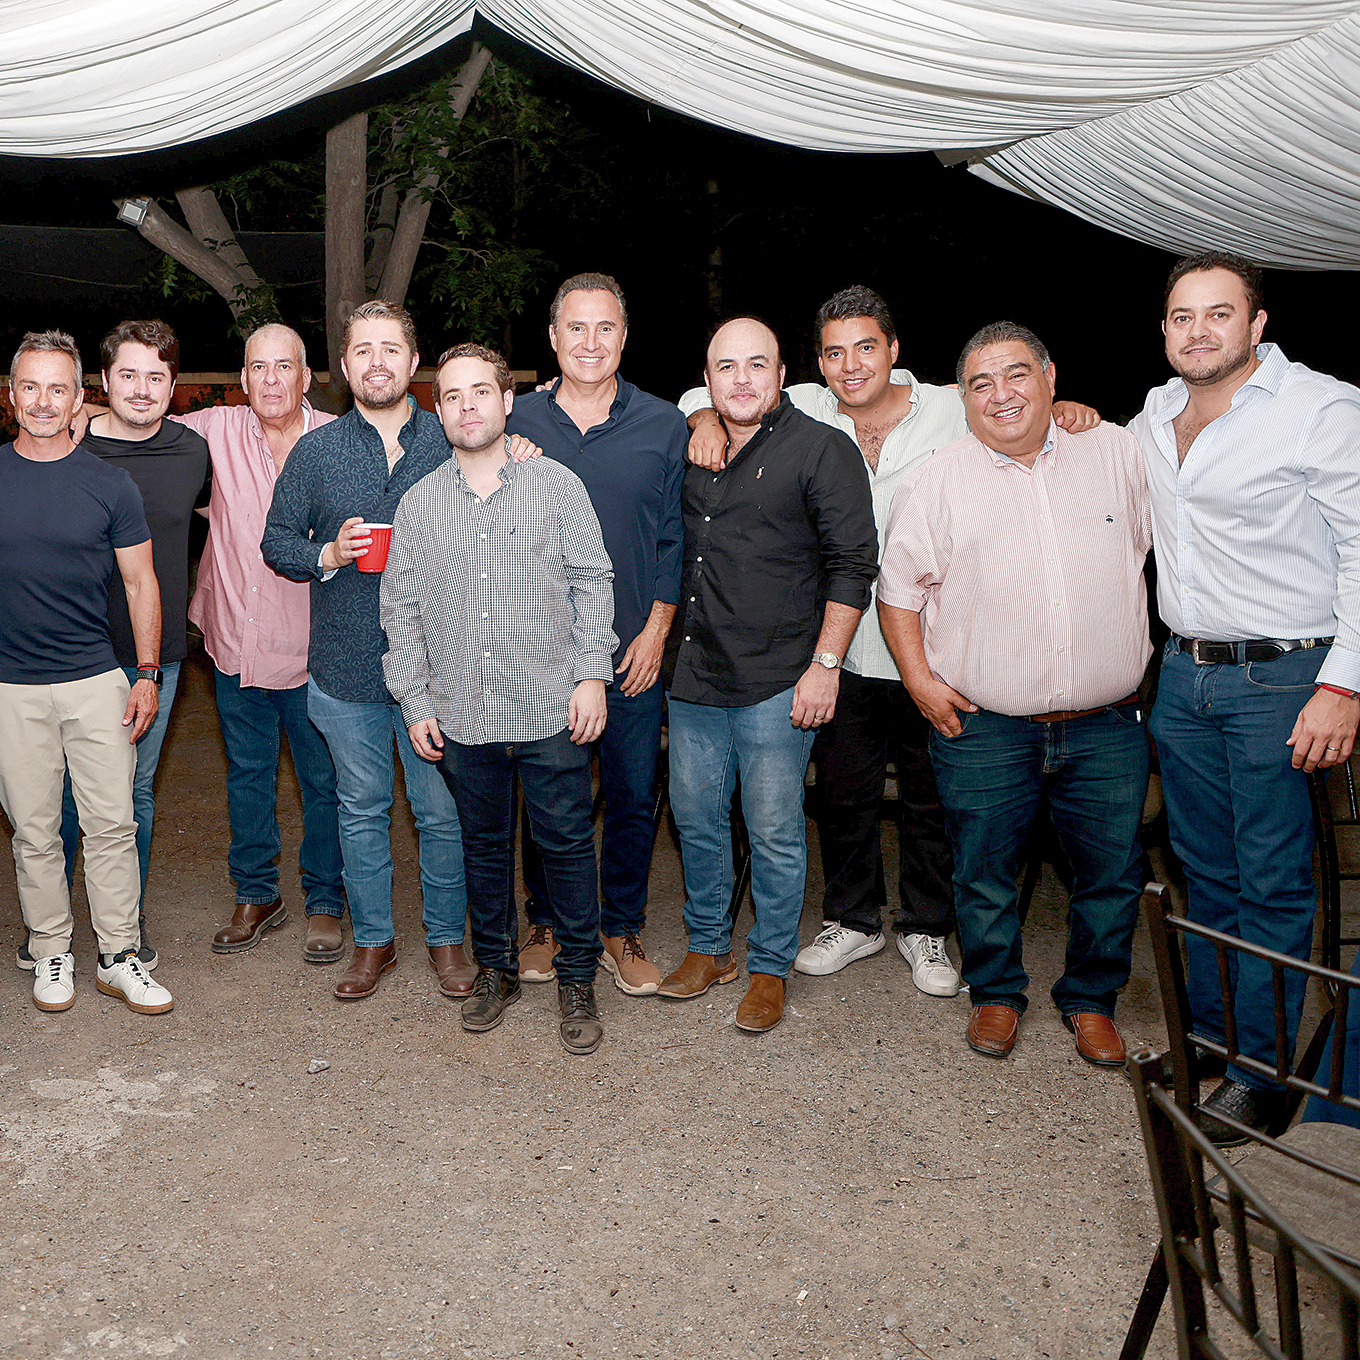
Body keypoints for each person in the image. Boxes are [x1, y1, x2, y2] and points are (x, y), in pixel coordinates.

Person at [680, 286, 1100, 995]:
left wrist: (1063, 411)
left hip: (933, 647)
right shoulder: (806, 406)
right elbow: (715, 386)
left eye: (866, 348)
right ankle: (853, 920)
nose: (851, 365)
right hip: (841, 648)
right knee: (844, 795)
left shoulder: (949, 407)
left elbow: (1015, 410)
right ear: (815, 365)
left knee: (932, 797)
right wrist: (704, 419)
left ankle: (925, 928)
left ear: (894, 350)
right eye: (835, 353)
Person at [878, 321, 1151, 1066]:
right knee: (982, 872)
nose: (1001, 393)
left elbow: (1167, 548)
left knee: (1112, 874)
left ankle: (1092, 1001)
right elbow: (897, 592)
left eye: (1016, 374)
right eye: (981, 383)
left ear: (1050, 377)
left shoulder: (1118, 453)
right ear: (962, 398)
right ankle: (995, 993)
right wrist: (921, 683)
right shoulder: (936, 480)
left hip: (1106, 725)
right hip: (986, 726)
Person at [1132, 252, 1360, 1141]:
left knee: (1271, 878)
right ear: (1165, 330)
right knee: (1205, 872)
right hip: (1184, 676)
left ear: (1257, 323)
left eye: (1219, 313)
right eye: (1183, 316)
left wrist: (1343, 684)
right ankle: (1215, 1042)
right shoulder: (1154, 414)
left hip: (1285, 677)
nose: (1200, 331)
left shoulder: (1319, 410)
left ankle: (1262, 1077)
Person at [381, 344, 617, 1055]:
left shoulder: (556, 485)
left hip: (550, 708)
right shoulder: (421, 504)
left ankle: (578, 978)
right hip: (463, 713)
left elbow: (593, 581)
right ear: (439, 411)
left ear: (508, 401)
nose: (467, 407)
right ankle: (497, 969)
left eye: (480, 391)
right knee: (482, 849)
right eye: (452, 396)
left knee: (565, 846)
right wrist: (415, 700)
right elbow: (400, 610)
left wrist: (591, 675)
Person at [659, 316, 879, 1033]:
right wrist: (698, 418)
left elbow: (853, 565)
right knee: (696, 820)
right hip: (694, 674)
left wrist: (825, 666)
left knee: (774, 830)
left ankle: (770, 966)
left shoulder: (823, 449)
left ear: (783, 375)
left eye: (757, 365)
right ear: (708, 380)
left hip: (779, 678)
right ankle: (708, 948)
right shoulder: (694, 444)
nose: (742, 379)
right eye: (726, 367)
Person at [262, 301, 472, 1001]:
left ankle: (447, 941)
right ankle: (373, 941)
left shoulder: (454, 437)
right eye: (363, 350)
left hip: (439, 675)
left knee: (441, 813)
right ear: (344, 368)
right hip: (345, 670)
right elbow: (276, 541)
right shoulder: (316, 451)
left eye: (391, 349)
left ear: (414, 362)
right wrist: (327, 553)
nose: (377, 362)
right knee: (360, 810)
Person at [505, 272, 686, 996]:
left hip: (630, 652)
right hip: (540, 655)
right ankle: (545, 921)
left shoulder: (664, 424)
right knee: (549, 795)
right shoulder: (513, 418)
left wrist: (657, 631)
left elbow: (673, 539)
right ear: (552, 337)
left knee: (635, 795)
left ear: (624, 337)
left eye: (604, 327)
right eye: (575, 327)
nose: (590, 341)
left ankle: (621, 926)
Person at [0, 330, 173, 1015]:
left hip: (96, 681)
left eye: (58, 388)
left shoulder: (110, 484)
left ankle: (119, 955)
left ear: (79, 398)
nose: (44, 402)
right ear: (12, 396)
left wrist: (147, 672)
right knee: (35, 832)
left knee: (112, 826)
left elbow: (141, 583)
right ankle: (51, 951)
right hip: (10, 688)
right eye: (30, 387)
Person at [179, 324, 347, 964]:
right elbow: (137, 427)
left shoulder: (340, 440)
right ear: (242, 378)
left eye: (284, 366)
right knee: (247, 775)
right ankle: (257, 893)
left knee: (322, 781)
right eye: (257, 367)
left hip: (316, 651)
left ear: (307, 377)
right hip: (235, 642)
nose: (271, 379)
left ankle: (325, 899)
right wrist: (75, 414)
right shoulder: (212, 431)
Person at [47, 320, 209, 973]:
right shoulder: (69, 445)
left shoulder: (194, 451)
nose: (141, 389)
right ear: (104, 381)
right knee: (61, 794)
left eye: (155, 376)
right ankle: (52, 926)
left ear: (173, 385)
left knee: (134, 794)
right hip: (71, 651)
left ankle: (124, 925)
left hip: (153, 655)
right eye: (128, 374)